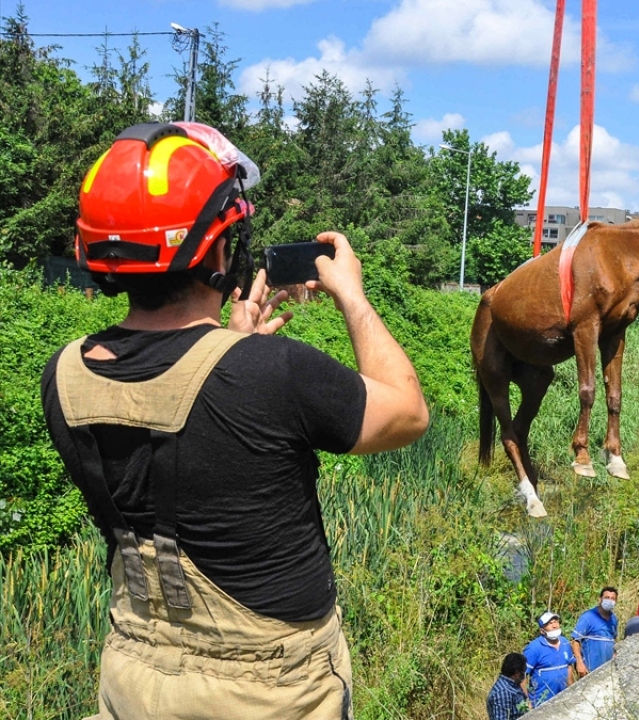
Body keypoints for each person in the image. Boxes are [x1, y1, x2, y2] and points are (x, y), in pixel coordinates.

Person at [40, 123, 430, 719]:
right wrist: (352, 295)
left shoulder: (64, 375)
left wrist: (229, 344)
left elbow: (177, 406)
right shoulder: (276, 372)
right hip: (270, 693)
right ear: (220, 248)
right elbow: (407, 413)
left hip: (133, 677)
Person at [523, 611, 576, 706]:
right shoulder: (534, 648)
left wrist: (572, 692)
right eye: (550, 623)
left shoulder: (565, 643)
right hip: (541, 702)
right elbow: (522, 675)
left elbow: (569, 667)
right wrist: (527, 702)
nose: (554, 626)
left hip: (564, 700)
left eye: (556, 622)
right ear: (542, 630)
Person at [570, 587, 619, 675]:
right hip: (589, 668)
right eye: (607, 598)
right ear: (600, 599)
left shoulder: (614, 619)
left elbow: (614, 640)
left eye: (613, 598)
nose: (610, 601)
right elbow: (575, 641)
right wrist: (579, 663)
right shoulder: (588, 616)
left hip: (608, 670)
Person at [486, 653, 532, 720]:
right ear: (517, 673)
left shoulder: (514, 685)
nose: (524, 676)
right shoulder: (503, 693)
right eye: (523, 672)